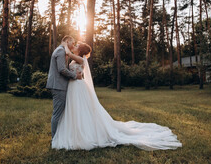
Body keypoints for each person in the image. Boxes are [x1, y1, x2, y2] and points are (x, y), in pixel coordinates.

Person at [52, 42, 182, 151]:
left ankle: (83, 133)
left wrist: (64, 44)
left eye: (78, 44)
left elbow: (68, 54)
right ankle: (73, 131)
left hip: (78, 86)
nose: (76, 44)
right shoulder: (76, 58)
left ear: (80, 50)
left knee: (81, 110)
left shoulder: (81, 59)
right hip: (73, 86)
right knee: (74, 110)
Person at [46, 35, 82, 139]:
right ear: (67, 41)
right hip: (58, 85)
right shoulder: (60, 51)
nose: (73, 45)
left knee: (60, 112)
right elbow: (61, 69)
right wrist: (75, 76)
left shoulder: (61, 50)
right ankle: (55, 139)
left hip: (59, 85)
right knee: (57, 113)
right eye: (73, 43)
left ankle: (59, 136)